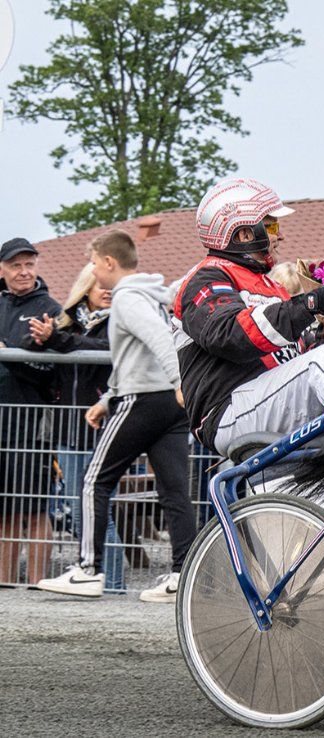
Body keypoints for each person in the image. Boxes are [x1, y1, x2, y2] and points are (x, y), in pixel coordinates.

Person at [36, 231, 197, 602]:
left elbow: (159, 339)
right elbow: (135, 356)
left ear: (109, 262)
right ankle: (182, 574)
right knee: (174, 490)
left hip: (144, 400)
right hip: (166, 406)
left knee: (94, 480)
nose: (92, 270)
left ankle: (88, 570)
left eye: (93, 263)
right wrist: (108, 399)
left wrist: (179, 382)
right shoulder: (150, 295)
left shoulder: (126, 298)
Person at [172, 178, 324, 460]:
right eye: (272, 226)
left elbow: (302, 355)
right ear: (243, 233)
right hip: (226, 411)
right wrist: (311, 303)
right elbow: (231, 336)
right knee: (322, 362)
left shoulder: (273, 288)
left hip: (268, 402)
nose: (280, 236)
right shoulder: (207, 278)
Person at [25, 264, 128, 591]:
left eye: (110, 284)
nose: (107, 290)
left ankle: (113, 584)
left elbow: (108, 353)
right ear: (85, 287)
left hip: (104, 429)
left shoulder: (119, 323)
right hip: (66, 431)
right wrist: (43, 342)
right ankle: (95, 578)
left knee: (99, 512)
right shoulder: (64, 324)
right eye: (100, 284)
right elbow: (42, 367)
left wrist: (59, 340)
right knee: (79, 509)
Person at [0, 237, 61, 586]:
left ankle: (38, 585)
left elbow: (54, 370)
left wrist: (10, 352)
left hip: (33, 426)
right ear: (2, 269)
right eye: (16, 265)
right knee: (5, 511)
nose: (23, 272)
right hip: (1, 426)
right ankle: (5, 586)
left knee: (36, 509)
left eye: (29, 264)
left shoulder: (49, 309)